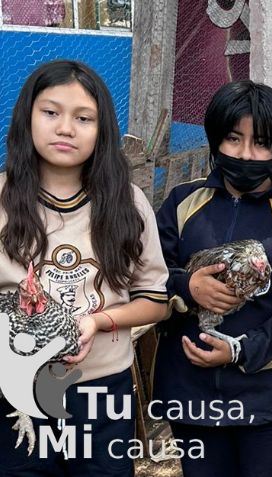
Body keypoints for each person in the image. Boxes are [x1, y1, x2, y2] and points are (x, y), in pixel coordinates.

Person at [0, 59, 169, 475]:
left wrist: (100, 321)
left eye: (83, 118)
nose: (65, 128)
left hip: (102, 390)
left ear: (102, 129)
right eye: (51, 112)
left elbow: (155, 300)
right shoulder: (1, 196)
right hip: (17, 390)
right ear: (27, 117)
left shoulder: (127, 203)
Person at [154, 80, 272, 477]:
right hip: (191, 393)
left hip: (266, 400)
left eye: (261, 143)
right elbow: (148, 276)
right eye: (234, 138)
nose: (246, 154)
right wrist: (188, 288)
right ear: (216, 140)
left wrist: (240, 350)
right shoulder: (182, 204)